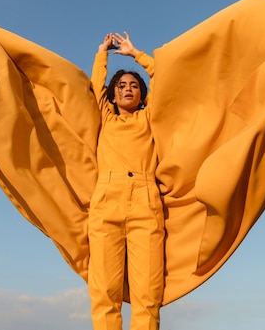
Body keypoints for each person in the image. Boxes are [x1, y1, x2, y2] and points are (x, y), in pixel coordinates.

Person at [88, 32, 164, 330]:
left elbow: (164, 79)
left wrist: (136, 54)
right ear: (113, 94)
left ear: (143, 95)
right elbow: (96, 86)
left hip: (145, 203)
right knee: (105, 291)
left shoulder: (149, 118)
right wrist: (101, 54)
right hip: (106, 202)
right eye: (121, 86)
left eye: (134, 86)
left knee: (148, 293)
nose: (128, 89)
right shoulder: (107, 118)